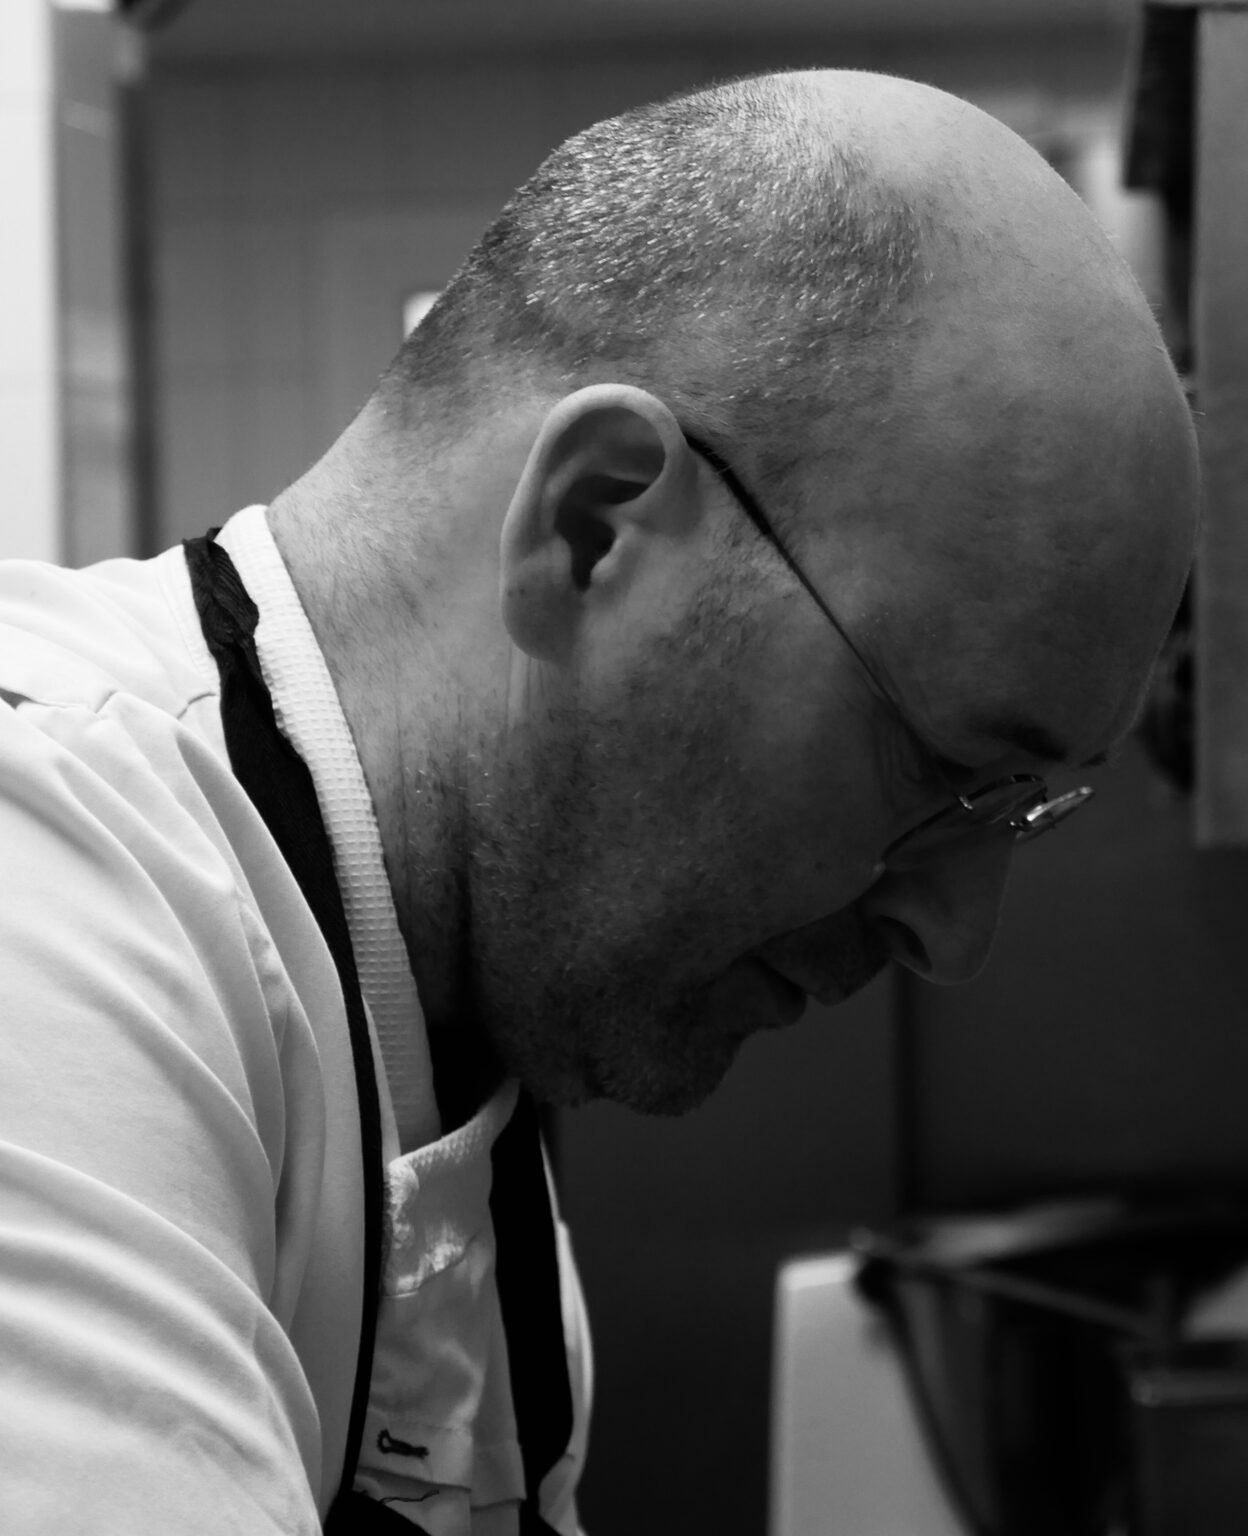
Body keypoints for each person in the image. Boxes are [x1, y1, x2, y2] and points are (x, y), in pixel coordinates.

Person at [0, 68, 1197, 1535]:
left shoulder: (458, 1084)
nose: (958, 935)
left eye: (1020, 810)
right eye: (941, 767)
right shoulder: (42, 888)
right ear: (593, 529)